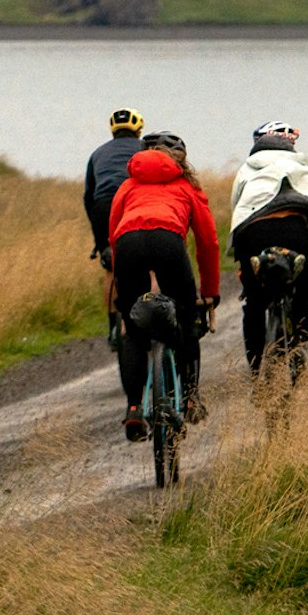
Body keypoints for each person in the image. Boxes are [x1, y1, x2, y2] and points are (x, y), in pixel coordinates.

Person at [104, 129, 222, 436]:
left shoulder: (128, 186)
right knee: (185, 317)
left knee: (134, 327)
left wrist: (120, 282)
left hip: (129, 244)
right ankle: (191, 398)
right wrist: (209, 293)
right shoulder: (187, 186)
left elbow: (114, 236)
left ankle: (133, 408)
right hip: (168, 241)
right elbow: (208, 242)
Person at [227, 122, 308, 380]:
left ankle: (256, 374)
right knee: (306, 289)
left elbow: (238, 214)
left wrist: (241, 261)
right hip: (295, 231)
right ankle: (298, 349)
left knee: (254, 302)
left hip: (253, 234)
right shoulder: (301, 168)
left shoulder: (245, 170)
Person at [83, 107, 146, 266]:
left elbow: (88, 197)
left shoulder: (97, 153)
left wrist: (98, 232)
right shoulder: (146, 149)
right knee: (148, 265)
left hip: (103, 208)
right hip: (134, 204)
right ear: (138, 130)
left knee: (111, 266)